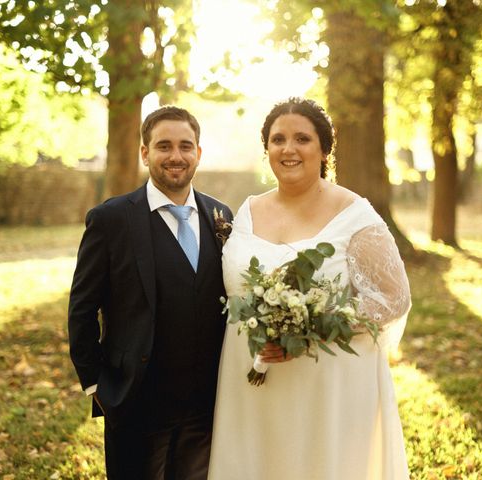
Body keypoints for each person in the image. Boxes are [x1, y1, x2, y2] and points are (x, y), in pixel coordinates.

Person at [208, 97, 411, 479]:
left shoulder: (355, 214)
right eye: (277, 139)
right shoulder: (247, 211)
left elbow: (394, 297)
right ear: (266, 148)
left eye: (302, 138)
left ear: (324, 149)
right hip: (251, 380)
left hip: (328, 383)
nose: (288, 149)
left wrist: (309, 328)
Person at [68, 105, 233, 480]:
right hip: (136, 402)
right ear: (146, 153)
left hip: (206, 406)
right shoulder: (111, 219)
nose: (176, 156)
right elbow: (82, 307)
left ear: (198, 153)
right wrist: (96, 383)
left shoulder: (221, 216)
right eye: (164, 146)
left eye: (185, 146)